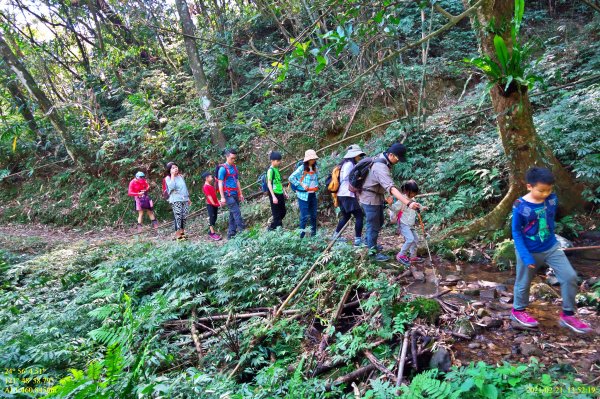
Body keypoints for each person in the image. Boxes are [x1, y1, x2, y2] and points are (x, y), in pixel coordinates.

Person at [511, 167, 591, 333]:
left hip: (551, 248)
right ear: (529, 187)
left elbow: (550, 220)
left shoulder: (551, 200)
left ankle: (568, 315)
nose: (546, 193)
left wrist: (553, 240)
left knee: (570, 277)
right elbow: (517, 232)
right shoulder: (520, 206)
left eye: (549, 190)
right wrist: (526, 256)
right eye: (541, 190)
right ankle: (518, 311)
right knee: (523, 283)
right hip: (529, 250)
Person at [359, 143, 421, 262]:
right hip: (370, 199)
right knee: (373, 225)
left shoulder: (383, 160)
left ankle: (370, 243)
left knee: (379, 221)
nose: (398, 161)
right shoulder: (380, 166)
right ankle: (372, 254)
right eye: (397, 158)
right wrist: (408, 203)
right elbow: (391, 188)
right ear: (391, 154)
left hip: (377, 197)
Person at [333, 144, 366, 246]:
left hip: (341, 194)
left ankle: (335, 236)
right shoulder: (350, 165)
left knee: (346, 216)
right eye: (358, 155)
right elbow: (351, 180)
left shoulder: (344, 164)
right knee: (359, 215)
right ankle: (358, 240)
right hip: (347, 194)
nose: (359, 157)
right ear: (354, 155)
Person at [392, 180, 425, 265]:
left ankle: (412, 256)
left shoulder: (412, 198)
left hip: (411, 224)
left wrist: (422, 207)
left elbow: (416, 205)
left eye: (415, 193)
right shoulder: (401, 200)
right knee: (410, 239)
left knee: (415, 240)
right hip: (404, 224)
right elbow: (394, 208)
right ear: (406, 191)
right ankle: (400, 255)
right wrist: (390, 204)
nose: (414, 195)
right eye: (412, 192)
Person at [289, 149, 319, 238]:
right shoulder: (302, 168)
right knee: (304, 217)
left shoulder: (315, 167)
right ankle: (301, 237)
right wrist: (301, 184)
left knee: (313, 215)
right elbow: (291, 178)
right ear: (307, 160)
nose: (313, 160)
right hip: (303, 196)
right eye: (312, 159)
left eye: (314, 158)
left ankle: (314, 235)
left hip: (312, 194)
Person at [218, 149, 246, 239]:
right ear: (227, 157)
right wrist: (222, 197)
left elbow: (237, 181)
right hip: (227, 194)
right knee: (237, 212)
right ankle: (242, 231)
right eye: (232, 158)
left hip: (235, 193)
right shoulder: (222, 169)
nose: (233, 160)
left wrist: (240, 193)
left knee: (232, 214)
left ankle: (231, 234)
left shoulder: (234, 168)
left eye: (235, 158)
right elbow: (220, 183)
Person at [164, 162, 191, 240]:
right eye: (173, 168)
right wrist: (172, 175)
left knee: (184, 216)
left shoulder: (180, 176)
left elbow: (184, 187)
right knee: (178, 216)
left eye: (176, 167)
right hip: (176, 199)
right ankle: (177, 235)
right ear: (169, 170)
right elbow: (171, 187)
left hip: (184, 199)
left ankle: (182, 232)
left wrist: (188, 198)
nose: (175, 169)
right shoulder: (168, 178)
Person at [267, 151, 288, 230]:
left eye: (279, 160)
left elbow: (279, 182)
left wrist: (284, 192)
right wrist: (273, 197)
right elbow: (269, 184)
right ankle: (278, 230)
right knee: (276, 215)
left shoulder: (276, 169)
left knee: (283, 212)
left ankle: (272, 226)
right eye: (277, 161)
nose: (279, 162)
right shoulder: (270, 170)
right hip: (274, 194)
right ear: (272, 161)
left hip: (280, 193)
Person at [202, 171, 222, 241]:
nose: (212, 177)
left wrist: (218, 201)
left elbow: (214, 195)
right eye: (210, 176)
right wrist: (214, 203)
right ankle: (212, 233)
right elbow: (209, 196)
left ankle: (211, 231)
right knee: (212, 217)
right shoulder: (205, 187)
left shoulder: (210, 186)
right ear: (206, 178)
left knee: (215, 217)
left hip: (214, 203)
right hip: (210, 204)